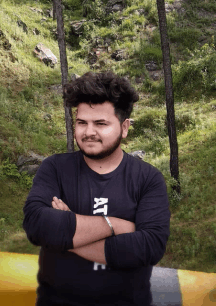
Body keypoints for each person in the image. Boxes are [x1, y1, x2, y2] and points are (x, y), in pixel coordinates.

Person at [23, 71, 170, 306]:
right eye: (82, 122)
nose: (88, 132)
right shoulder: (55, 168)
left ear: (124, 127)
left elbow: (148, 247)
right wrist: (116, 225)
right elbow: (37, 225)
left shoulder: (147, 178)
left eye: (100, 123)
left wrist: (64, 236)